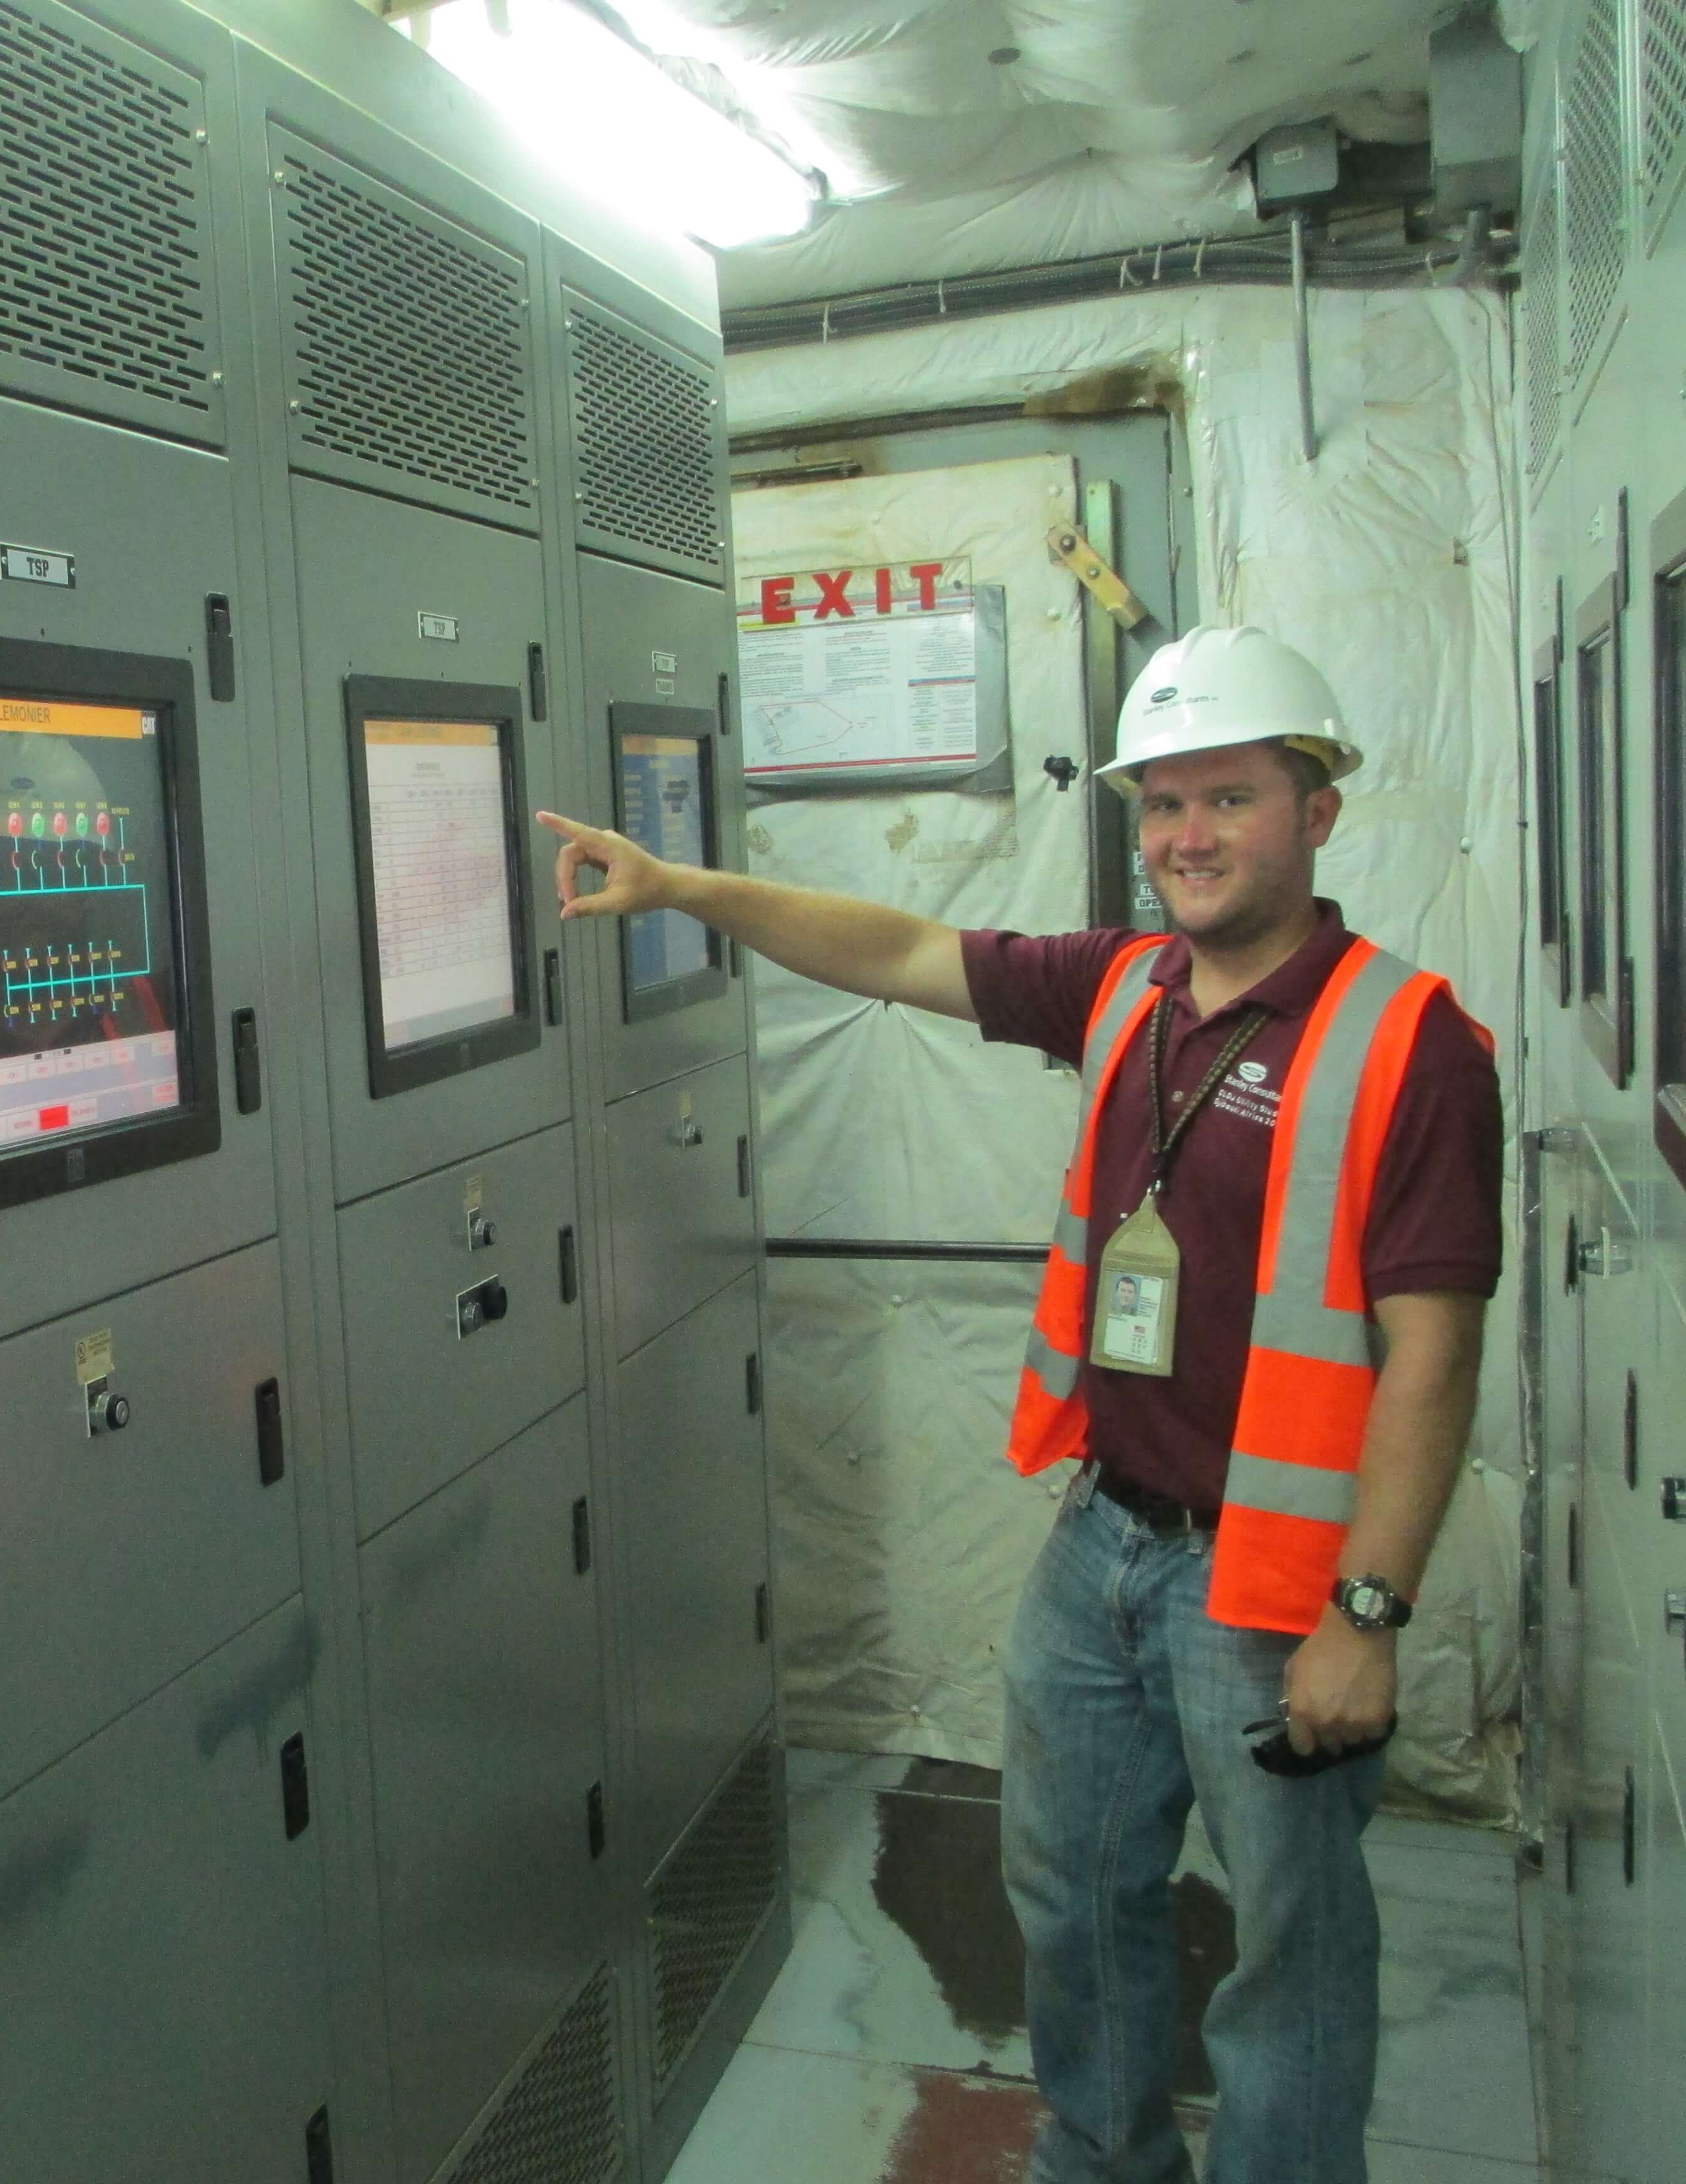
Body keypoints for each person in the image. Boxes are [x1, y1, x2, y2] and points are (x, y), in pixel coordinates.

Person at [537, 625, 1500, 2184]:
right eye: (1162, 805)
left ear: (1315, 810)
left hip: (1271, 1582)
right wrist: (684, 889)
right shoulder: (1127, 988)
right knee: (1071, 1893)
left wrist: (1368, 1611)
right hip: (1103, 1545)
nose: (1187, 837)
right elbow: (899, 949)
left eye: (1228, 799)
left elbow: (1433, 1356)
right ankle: (1103, 2161)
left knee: (1292, 1948)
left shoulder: (1414, 1045)